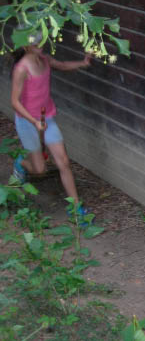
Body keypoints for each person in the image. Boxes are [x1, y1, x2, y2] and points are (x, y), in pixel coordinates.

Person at [10, 28, 92, 223]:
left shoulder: (44, 60)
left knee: (63, 161)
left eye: (42, 41)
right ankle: (22, 163)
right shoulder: (22, 69)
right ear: (26, 46)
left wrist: (83, 63)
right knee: (39, 170)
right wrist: (34, 122)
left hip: (47, 118)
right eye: (35, 43)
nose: (40, 45)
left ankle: (75, 208)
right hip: (27, 121)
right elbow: (14, 102)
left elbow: (61, 65)